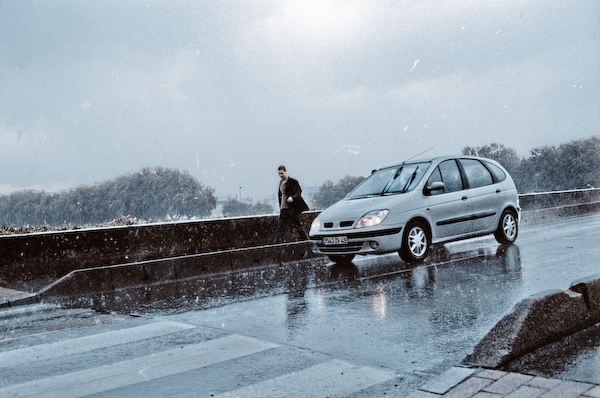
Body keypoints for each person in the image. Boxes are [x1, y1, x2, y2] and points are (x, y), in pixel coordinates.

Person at [273, 165, 309, 243]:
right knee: (281, 227)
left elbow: (298, 192)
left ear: (286, 171)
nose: (280, 176)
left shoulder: (293, 182)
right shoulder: (281, 183)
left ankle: (306, 241)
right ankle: (276, 243)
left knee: (298, 226)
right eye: (279, 174)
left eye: (282, 173)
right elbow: (280, 195)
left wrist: (292, 198)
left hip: (291, 209)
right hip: (283, 208)